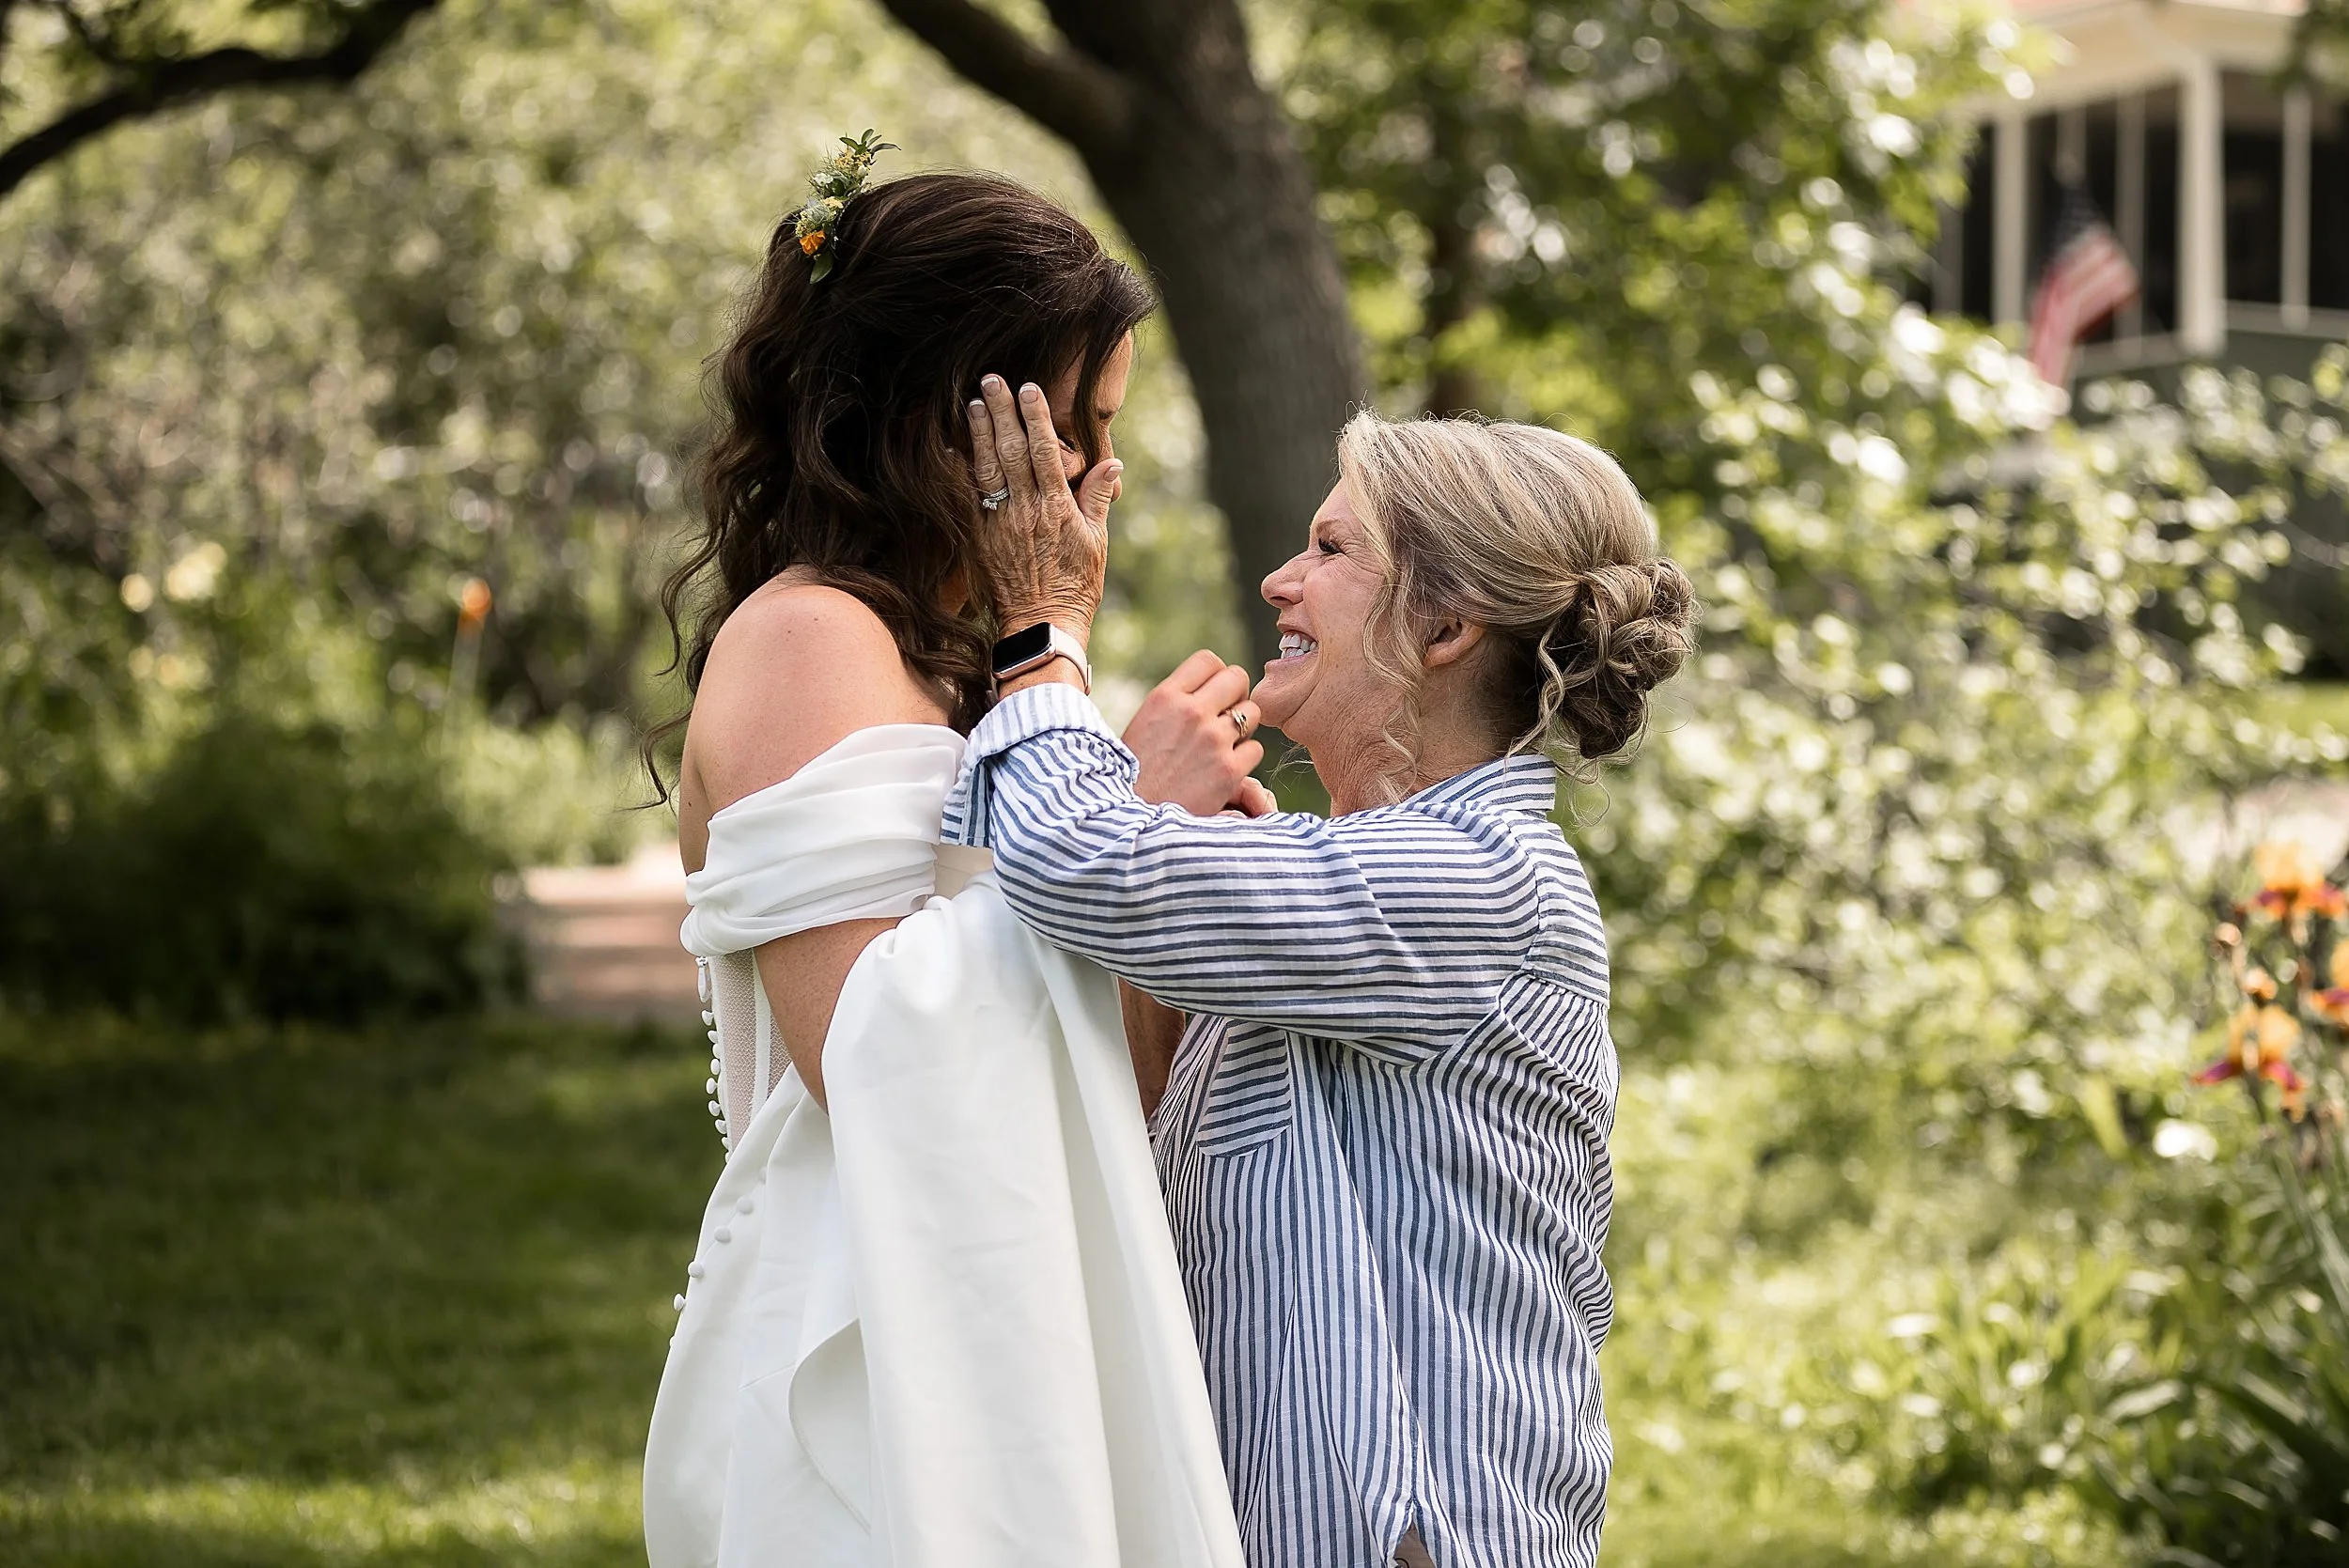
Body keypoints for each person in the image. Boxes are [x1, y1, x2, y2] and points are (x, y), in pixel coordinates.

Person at [955, 400, 1700, 1568]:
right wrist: (1159, 845)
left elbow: (1072, 865)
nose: (1278, 580)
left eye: (1332, 549)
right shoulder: (1346, 889)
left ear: (1446, 621)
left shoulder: (1472, 878)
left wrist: (1039, 633)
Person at [641, 160, 1244, 1568]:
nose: (1103, 480)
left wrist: (1163, 862)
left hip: (1011, 1307)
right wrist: (1114, 772)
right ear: (952, 419)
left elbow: (1102, 1067)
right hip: (864, 1365)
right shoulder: (810, 640)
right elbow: (869, 1045)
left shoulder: (951, 667)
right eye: (1077, 431)